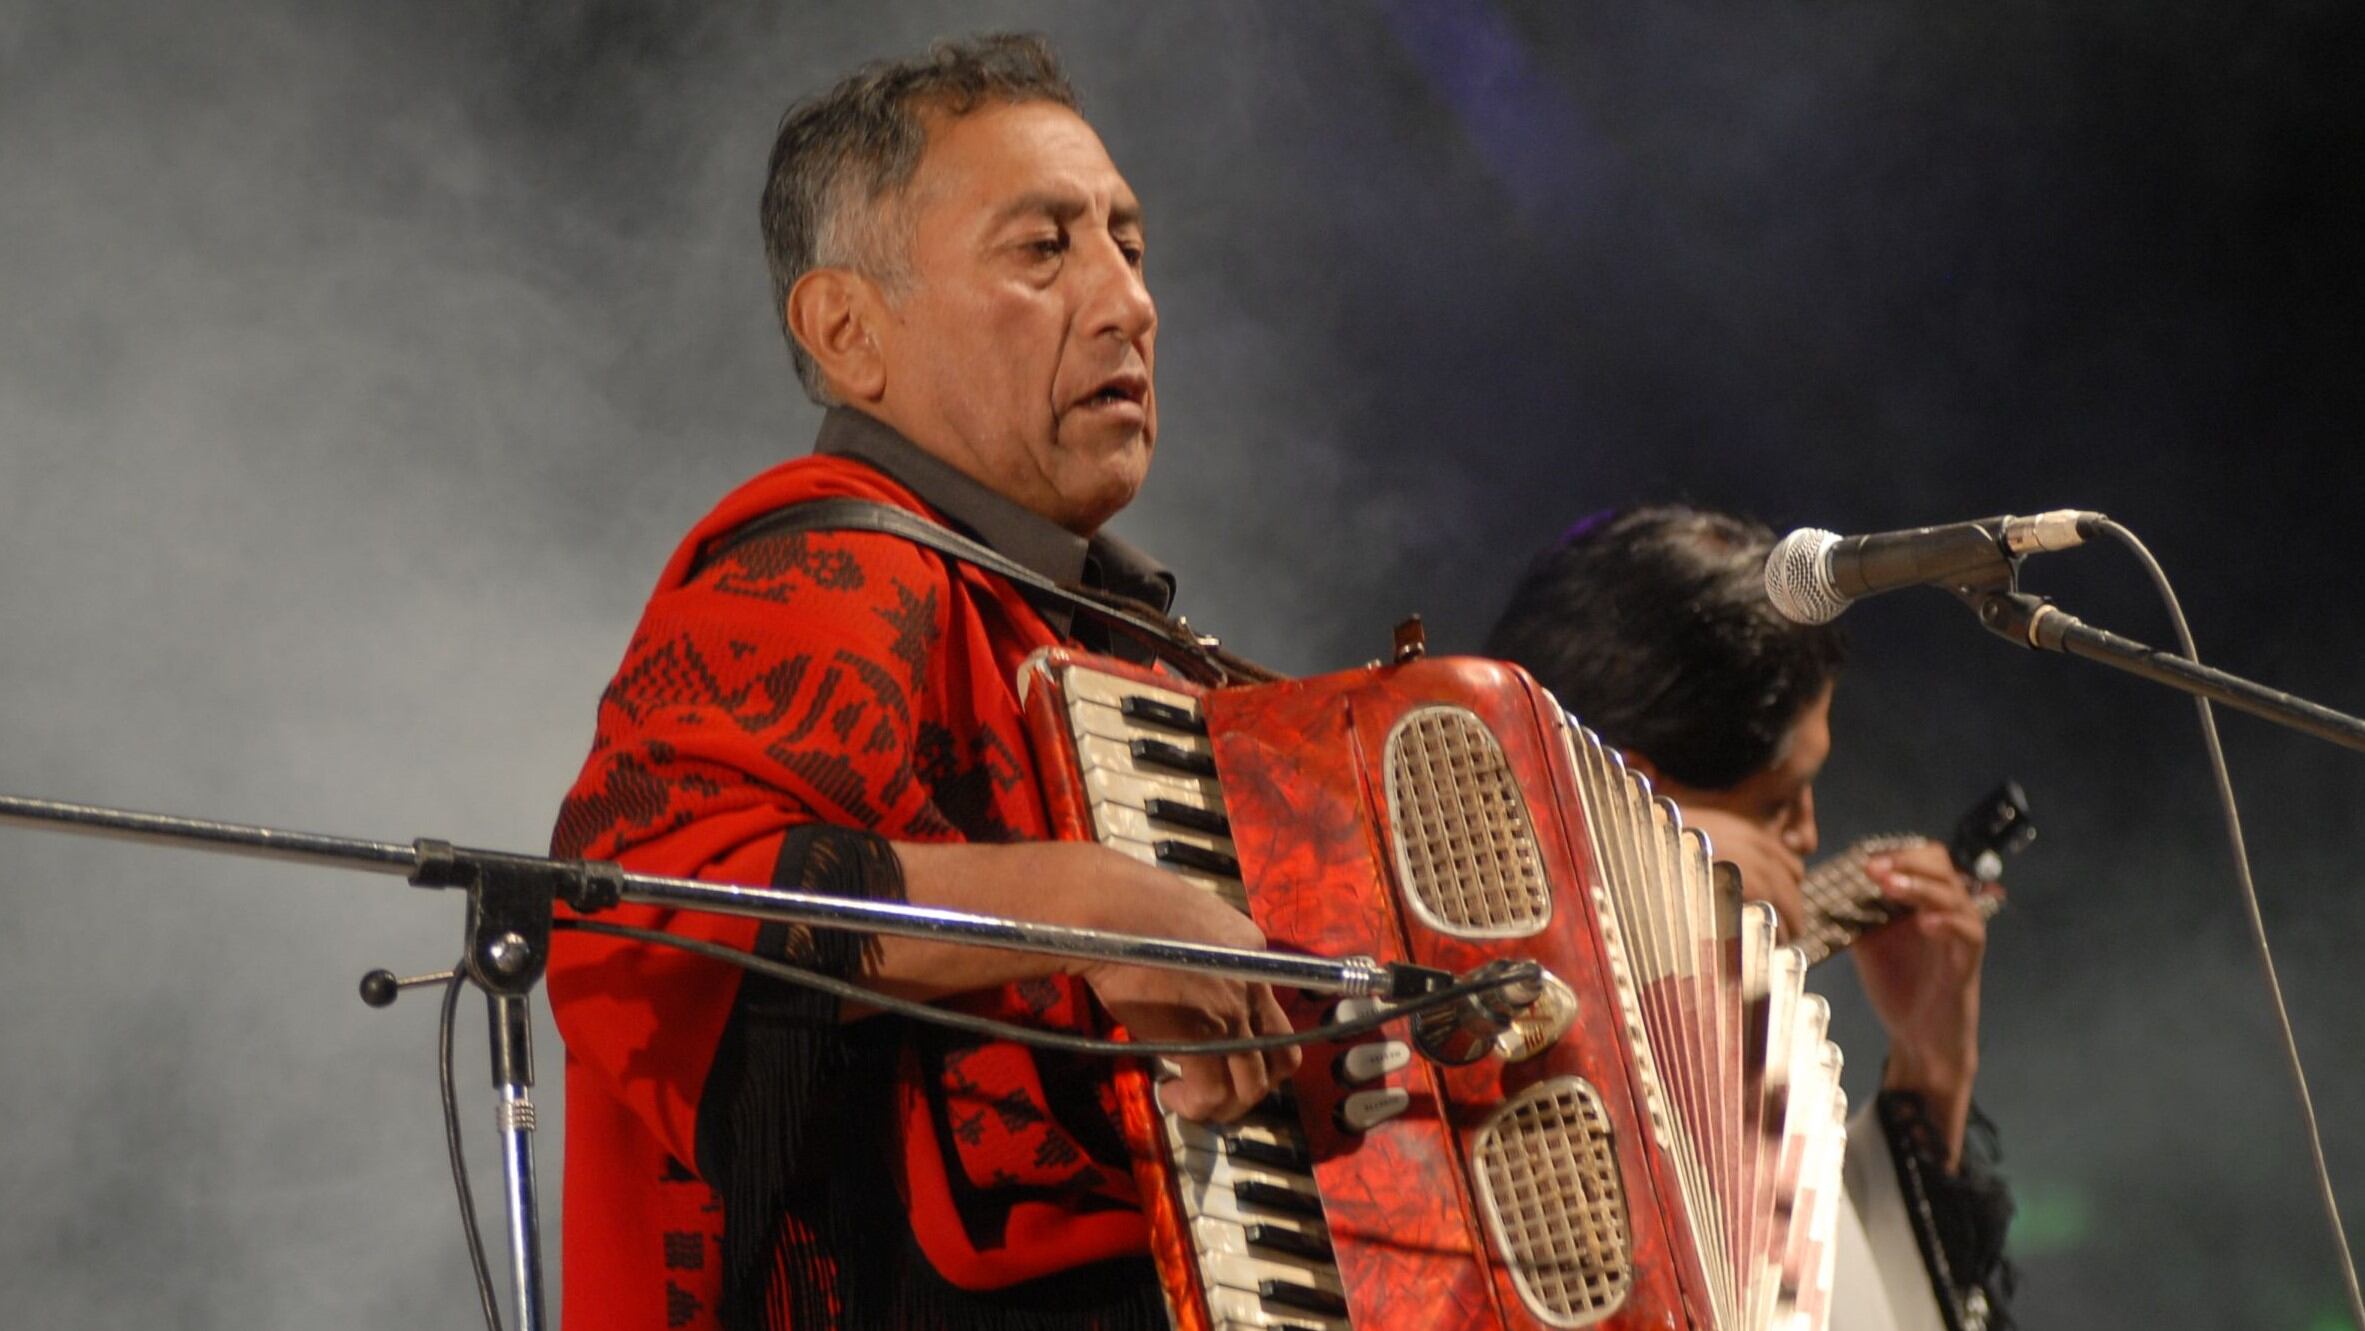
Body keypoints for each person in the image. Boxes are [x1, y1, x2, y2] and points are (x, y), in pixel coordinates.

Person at [545, 36, 1292, 1331]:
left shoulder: (1082, 622)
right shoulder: (832, 567)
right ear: (848, 330)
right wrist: (1087, 896)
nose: (1127, 302)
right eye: (1043, 251)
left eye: (1128, 243)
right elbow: (638, 919)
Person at [1485, 504, 2017, 1327]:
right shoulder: (1414, 970)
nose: (1808, 832)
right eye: (1775, 802)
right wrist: (1641, 870)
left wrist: (1931, 1065)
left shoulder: (1740, 1042)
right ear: (1622, 791)